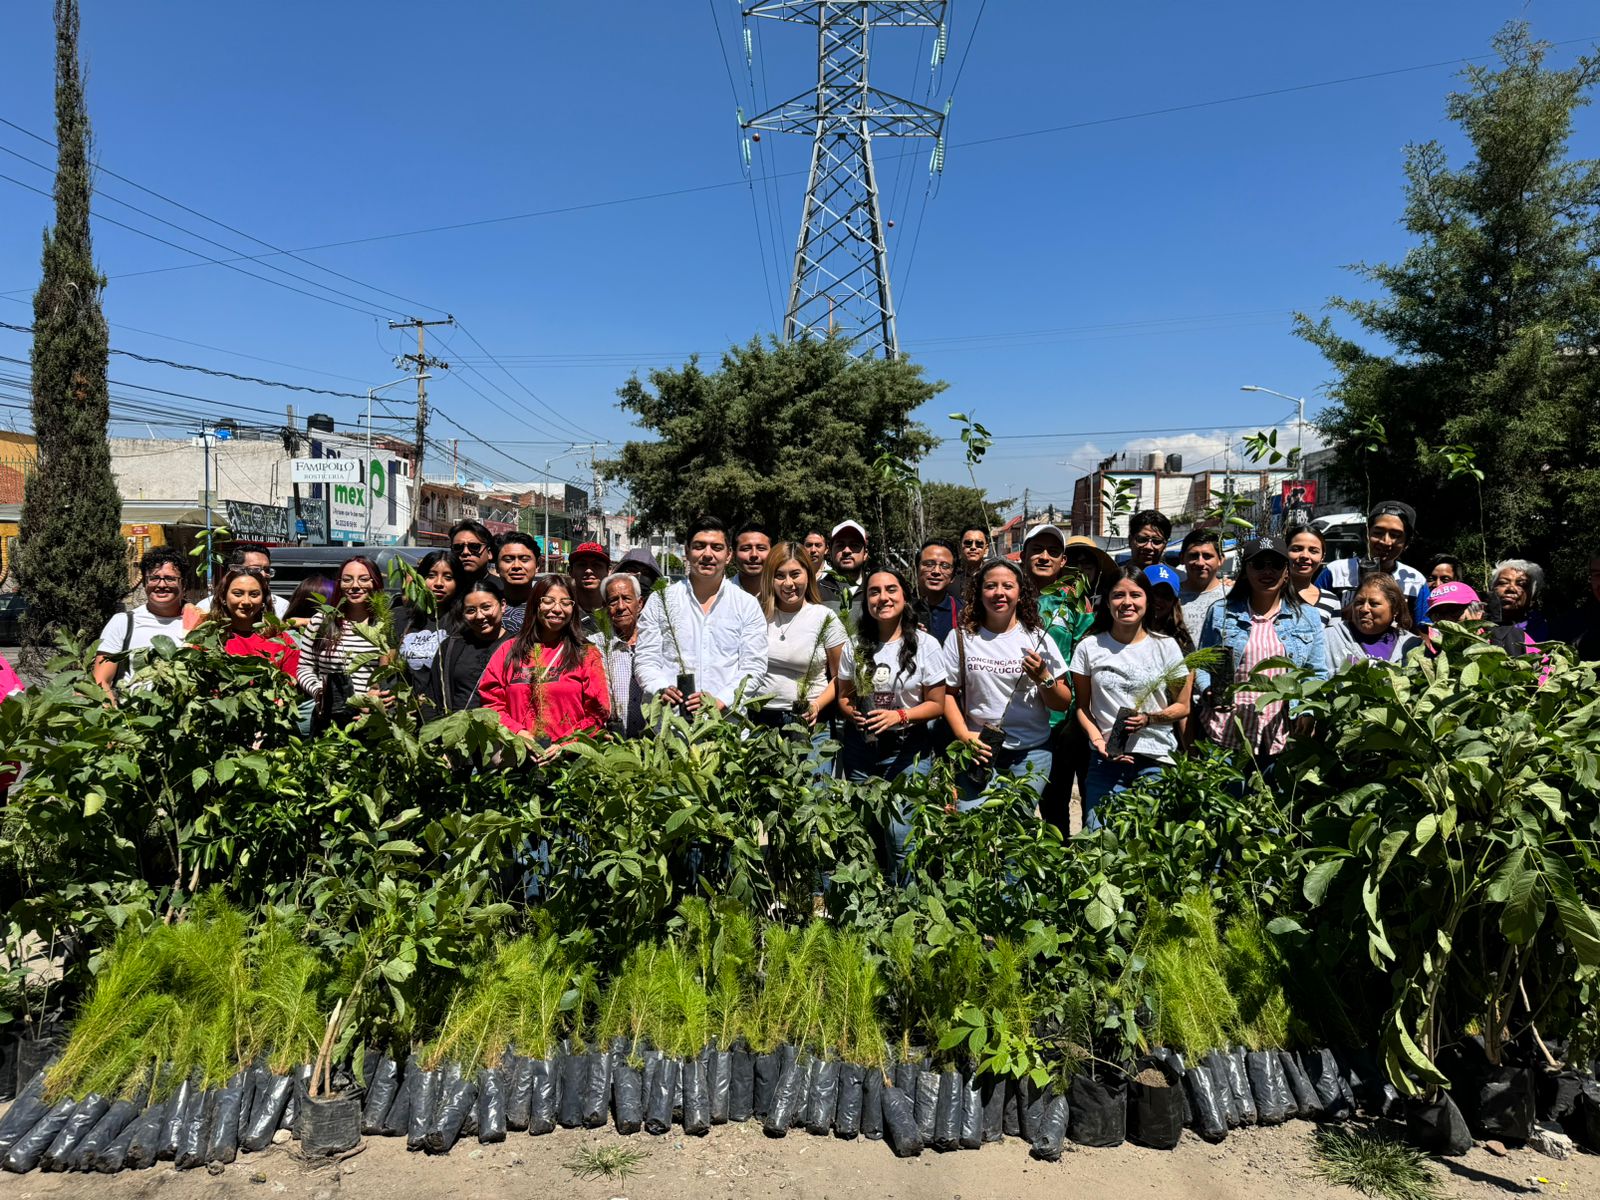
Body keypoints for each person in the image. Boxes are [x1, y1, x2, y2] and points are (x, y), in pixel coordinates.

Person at [837, 568, 948, 872]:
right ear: (866, 600)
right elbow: (844, 698)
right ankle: (872, 909)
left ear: (904, 596)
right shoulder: (854, 645)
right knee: (866, 834)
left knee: (901, 839)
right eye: (874, 592)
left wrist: (899, 715)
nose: (883, 598)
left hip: (907, 750)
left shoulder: (926, 646)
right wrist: (855, 715)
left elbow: (937, 704)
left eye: (891, 590)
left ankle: (904, 909)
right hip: (862, 750)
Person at [942, 559, 1072, 811]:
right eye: (991, 586)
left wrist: (1043, 676)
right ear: (978, 593)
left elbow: (1062, 702)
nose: (999, 592)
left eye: (1007, 586)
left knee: (1015, 830)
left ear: (1020, 594)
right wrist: (963, 735)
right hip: (979, 750)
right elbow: (947, 694)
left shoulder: (1037, 638)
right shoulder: (961, 637)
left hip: (1031, 753)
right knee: (972, 826)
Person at [1070, 567, 1191, 829]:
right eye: (1118, 595)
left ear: (1147, 600)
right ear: (1107, 601)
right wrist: (1097, 739)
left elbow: (1182, 706)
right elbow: (1082, 707)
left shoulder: (1166, 646)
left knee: (1148, 847)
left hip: (1155, 760)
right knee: (1099, 842)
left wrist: (1149, 719)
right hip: (1105, 761)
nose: (1127, 602)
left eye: (1135, 595)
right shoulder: (1089, 647)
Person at [1195, 536, 1330, 766]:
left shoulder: (1308, 617)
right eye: (1258, 564)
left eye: (1276, 565)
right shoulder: (1220, 613)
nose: (1267, 571)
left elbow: (1316, 674)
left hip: (1282, 732)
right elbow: (1202, 663)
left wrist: (1307, 713)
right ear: (1245, 570)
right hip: (1227, 731)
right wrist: (1208, 689)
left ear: (1287, 571)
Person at [635, 515, 768, 715]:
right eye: (699, 546)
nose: (707, 554)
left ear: (729, 554)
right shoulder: (660, 601)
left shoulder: (746, 604)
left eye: (716, 547)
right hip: (671, 726)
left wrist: (721, 700)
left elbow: (753, 667)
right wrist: (660, 687)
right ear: (687, 551)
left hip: (726, 728)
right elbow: (646, 659)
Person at [477, 574, 610, 761]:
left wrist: (566, 745)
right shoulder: (509, 651)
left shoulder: (586, 653)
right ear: (535, 605)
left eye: (566, 602)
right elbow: (491, 703)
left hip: (571, 762)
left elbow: (598, 710)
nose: (557, 609)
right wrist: (518, 733)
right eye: (548, 601)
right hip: (519, 759)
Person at [1024, 523, 1098, 834]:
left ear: (1063, 562)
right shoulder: (1009, 594)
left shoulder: (1075, 601)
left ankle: (1059, 866)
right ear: (1023, 555)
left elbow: (1090, 653)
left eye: (1053, 552)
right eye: (1037, 550)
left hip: (1063, 720)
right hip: (1020, 718)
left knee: (1057, 803)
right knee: (1020, 805)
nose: (1044, 556)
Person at [295, 556, 394, 730]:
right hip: (329, 718)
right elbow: (304, 667)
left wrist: (378, 697)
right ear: (339, 584)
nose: (355, 586)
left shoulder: (385, 625)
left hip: (371, 720)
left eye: (364, 579)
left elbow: (392, 674)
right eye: (347, 580)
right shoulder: (321, 621)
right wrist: (321, 692)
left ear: (376, 583)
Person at [754, 542, 845, 731]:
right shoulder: (756, 615)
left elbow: (840, 676)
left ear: (808, 575)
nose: (788, 583)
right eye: (779, 576)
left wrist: (817, 705)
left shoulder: (824, 618)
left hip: (811, 721)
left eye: (795, 574)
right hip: (762, 722)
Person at [93, 547, 199, 696]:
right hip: (133, 715)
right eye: (154, 578)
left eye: (170, 578)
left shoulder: (197, 623)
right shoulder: (123, 623)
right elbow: (101, 681)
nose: (161, 585)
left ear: (184, 584)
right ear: (144, 583)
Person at [1317, 500, 1430, 624]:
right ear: (1366, 534)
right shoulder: (1335, 571)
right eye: (1378, 533)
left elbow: (1424, 629)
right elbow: (1313, 619)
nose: (1385, 541)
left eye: (1395, 535)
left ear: (1407, 543)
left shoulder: (1416, 581)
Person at [428, 575, 513, 716]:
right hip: (457, 731)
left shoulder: (518, 646)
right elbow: (434, 693)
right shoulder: (451, 646)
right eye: (471, 611)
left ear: (503, 605)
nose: (479, 616)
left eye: (486, 607)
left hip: (503, 732)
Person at [203, 564, 299, 674]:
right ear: (223, 597)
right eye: (238, 594)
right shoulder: (207, 638)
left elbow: (291, 685)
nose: (246, 602)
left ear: (263, 599)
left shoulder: (281, 641)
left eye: (254, 594)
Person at [1413, 581, 1536, 663]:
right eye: (1438, 614)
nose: (1447, 620)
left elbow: (1546, 677)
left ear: (1479, 611)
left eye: (1455, 611)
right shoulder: (1431, 655)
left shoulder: (1514, 638)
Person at [393, 550, 461, 695]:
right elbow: (388, 668)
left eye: (448, 577)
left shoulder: (464, 622)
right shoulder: (402, 618)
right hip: (408, 711)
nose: (438, 583)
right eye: (431, 576)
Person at [591, 572, 648, 736]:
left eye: (627, 599)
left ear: (640, 603)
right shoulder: (594, 647)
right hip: (612, 741)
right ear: (604, 607)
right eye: (613, 601)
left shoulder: (656, 643)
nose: (621, 607)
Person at [1326, 571, 1421, 668]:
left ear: (1395, 609)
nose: (1364, 609)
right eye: (1359, 602)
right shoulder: (1328, 638)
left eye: (1374, 604)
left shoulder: (1412, 646)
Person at [193, 542, 289, 620]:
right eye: (255, 569)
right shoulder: (206, 607)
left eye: (267, 570)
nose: (263, 575)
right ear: (236, 570)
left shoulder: (282, 606)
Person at [1177, 529, 1228, 644]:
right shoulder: (1169, 597)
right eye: (1193, 556)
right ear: (1181, 558)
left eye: (1207, 556)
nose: (1200, 563)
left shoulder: (1233, 596)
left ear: (1221, 560)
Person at [1287, 525, 1342, 618]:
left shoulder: (1331, 601)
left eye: (1313, 551)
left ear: (1322, 557)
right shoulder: (1269, 595)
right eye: (1297, 549)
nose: (1305, 555)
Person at [1490, 559, 1550, 642]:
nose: (1511, 588)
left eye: (1521, 584)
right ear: (1492, 589)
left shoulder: (1543, 629)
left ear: (1532, 598)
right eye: (1503, 583)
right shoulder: (1476, 621)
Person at [912, 538, 960, 641]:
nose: (936, 571)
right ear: (916, 569)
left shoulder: (964, 613)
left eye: (945, 566)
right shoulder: (900, 610)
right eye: (929, 564)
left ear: (953, 577)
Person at [495, 532, 542, 635]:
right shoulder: (485, 605)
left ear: (537, 565)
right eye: (508, 560)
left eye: (524, 560)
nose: (516, 566)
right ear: (497, 567)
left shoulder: (550, 605)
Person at [819, 520, 869, 615]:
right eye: (840, 545)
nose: (846, 551)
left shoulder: (874, 590)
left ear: (865, 554)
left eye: (854, 545)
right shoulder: (815, 592)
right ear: (830, 551)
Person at [1143, 563, 1193, 651]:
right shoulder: (1121, 631)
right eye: (1153, 593)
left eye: (1166, 595)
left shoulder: (1182, 639)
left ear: (1174, 602)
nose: (1158, 599)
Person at [568, 542, 611, 628]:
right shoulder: (564, 612)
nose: (588, 570)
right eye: (582, 565)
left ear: (608, 571)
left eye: (596, 565)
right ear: (570, 571)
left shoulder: (617, 612)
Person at [449, 519, 497, 588]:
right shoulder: (445, 590)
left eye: (474, 547)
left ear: (489, 553)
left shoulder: (503, 590)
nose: (465, 552)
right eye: (458, 548)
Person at [734, 523, 772, 600]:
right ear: (733, 555)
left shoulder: (782, 594)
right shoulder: (720, 593)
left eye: (761, 548)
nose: (754, 555)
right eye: (746, 549)